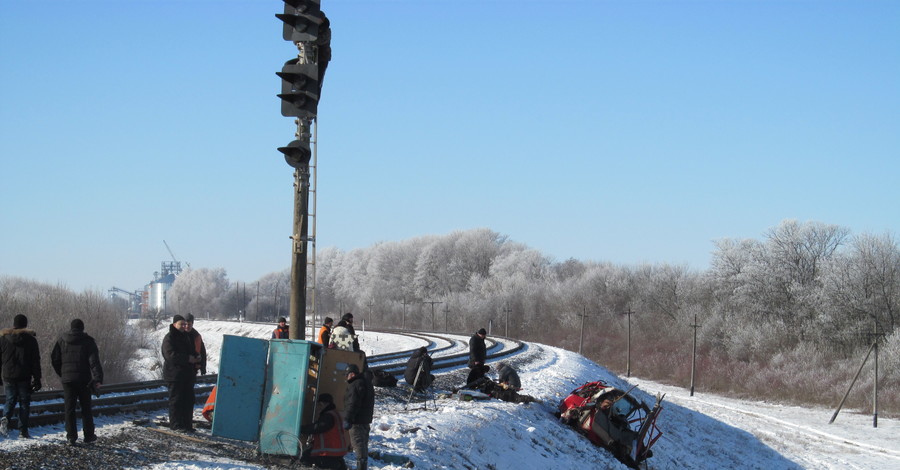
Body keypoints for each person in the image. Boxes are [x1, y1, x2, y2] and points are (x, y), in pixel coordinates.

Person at [51, 318, 103, 446]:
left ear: (71, 327)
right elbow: (94, 361)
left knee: (69, 409)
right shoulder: (88, 341)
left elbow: (55, 359)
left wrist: (62, 373)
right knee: (86, 408)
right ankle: (89, 436)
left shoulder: (61, 340)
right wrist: (98, 378)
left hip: (67, 380)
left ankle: (71, 437)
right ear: (82, 328)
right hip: (84, 379)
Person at [0, 314, 41, 439]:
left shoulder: (3, 339)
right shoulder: (31, 340)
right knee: (24, 403)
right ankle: (23, 431)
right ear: (25, 324)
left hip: (8, 375)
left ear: (14, 324)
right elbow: (35, 361)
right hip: (24, 376)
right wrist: (37, 378)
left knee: (10, 400)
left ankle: (5, 418)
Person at [162, 314, 200, 433]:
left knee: (188, 400)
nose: (184, 326)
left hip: (187, 375)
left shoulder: (186, 337)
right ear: (174, 324)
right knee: (176, 400)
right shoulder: (169, 338)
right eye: (181, 324)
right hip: (174, 375)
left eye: (185, 324)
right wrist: (188, 359)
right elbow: (170, 356)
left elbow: (191, 351)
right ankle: (176, 425)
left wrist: (196, 357)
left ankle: (187, 424)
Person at [299, 393, 348, 469]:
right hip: (337, 451)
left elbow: (317, 427)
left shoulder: (328, 416)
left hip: (329, 452)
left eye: (319, 405)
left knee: (305, 458)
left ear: (323, 404)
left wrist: (300, 429)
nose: (318, 407)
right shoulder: (334, 413)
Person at [343, 363, 374, 470]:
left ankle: (361, 467)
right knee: (363, 444)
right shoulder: (367, 383)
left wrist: (347, 418)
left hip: (356, 421)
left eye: (346, 375)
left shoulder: (356, 384)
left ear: (351, 374)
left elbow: (353, 403)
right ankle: (362, 466)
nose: (346, 378)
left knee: (358, 445)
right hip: (365, 420)